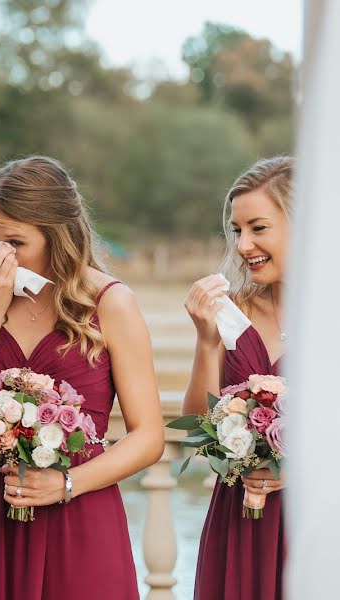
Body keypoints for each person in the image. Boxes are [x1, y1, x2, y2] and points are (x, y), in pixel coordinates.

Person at [0, 155, 163, 599]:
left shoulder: (112, 303)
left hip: (78, 509)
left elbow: (149, 437)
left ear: (57, 235)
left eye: (15, 241)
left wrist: (66, 484)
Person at [183, 156, 293, 600]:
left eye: (258, 228)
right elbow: (196, 427)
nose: (243, 244)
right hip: (240, 520)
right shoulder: (231, 314)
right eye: (236, 230)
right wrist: (207, 341)